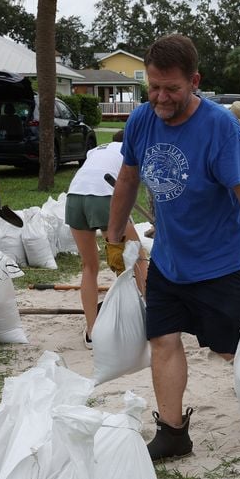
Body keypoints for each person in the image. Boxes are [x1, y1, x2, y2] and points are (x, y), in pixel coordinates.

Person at [105, 34, 240, 461]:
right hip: (168, 260)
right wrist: (112, 238)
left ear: (194, 81)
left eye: (172, 89)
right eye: (154, 86)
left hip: (220, 264)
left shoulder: (219, 127)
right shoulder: (142, 120)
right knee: (163, 340)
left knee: (230, 349)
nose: (161, 97)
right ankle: (173, 433)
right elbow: (127, 180)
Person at [66, 129, 148, 347]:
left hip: (74, 198)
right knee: (138, 257)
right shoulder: (130, 151)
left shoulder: (96, 150)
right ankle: (152, 317)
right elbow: (130, 187)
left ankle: (92, 332)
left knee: (89, 266)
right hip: (104, 196)